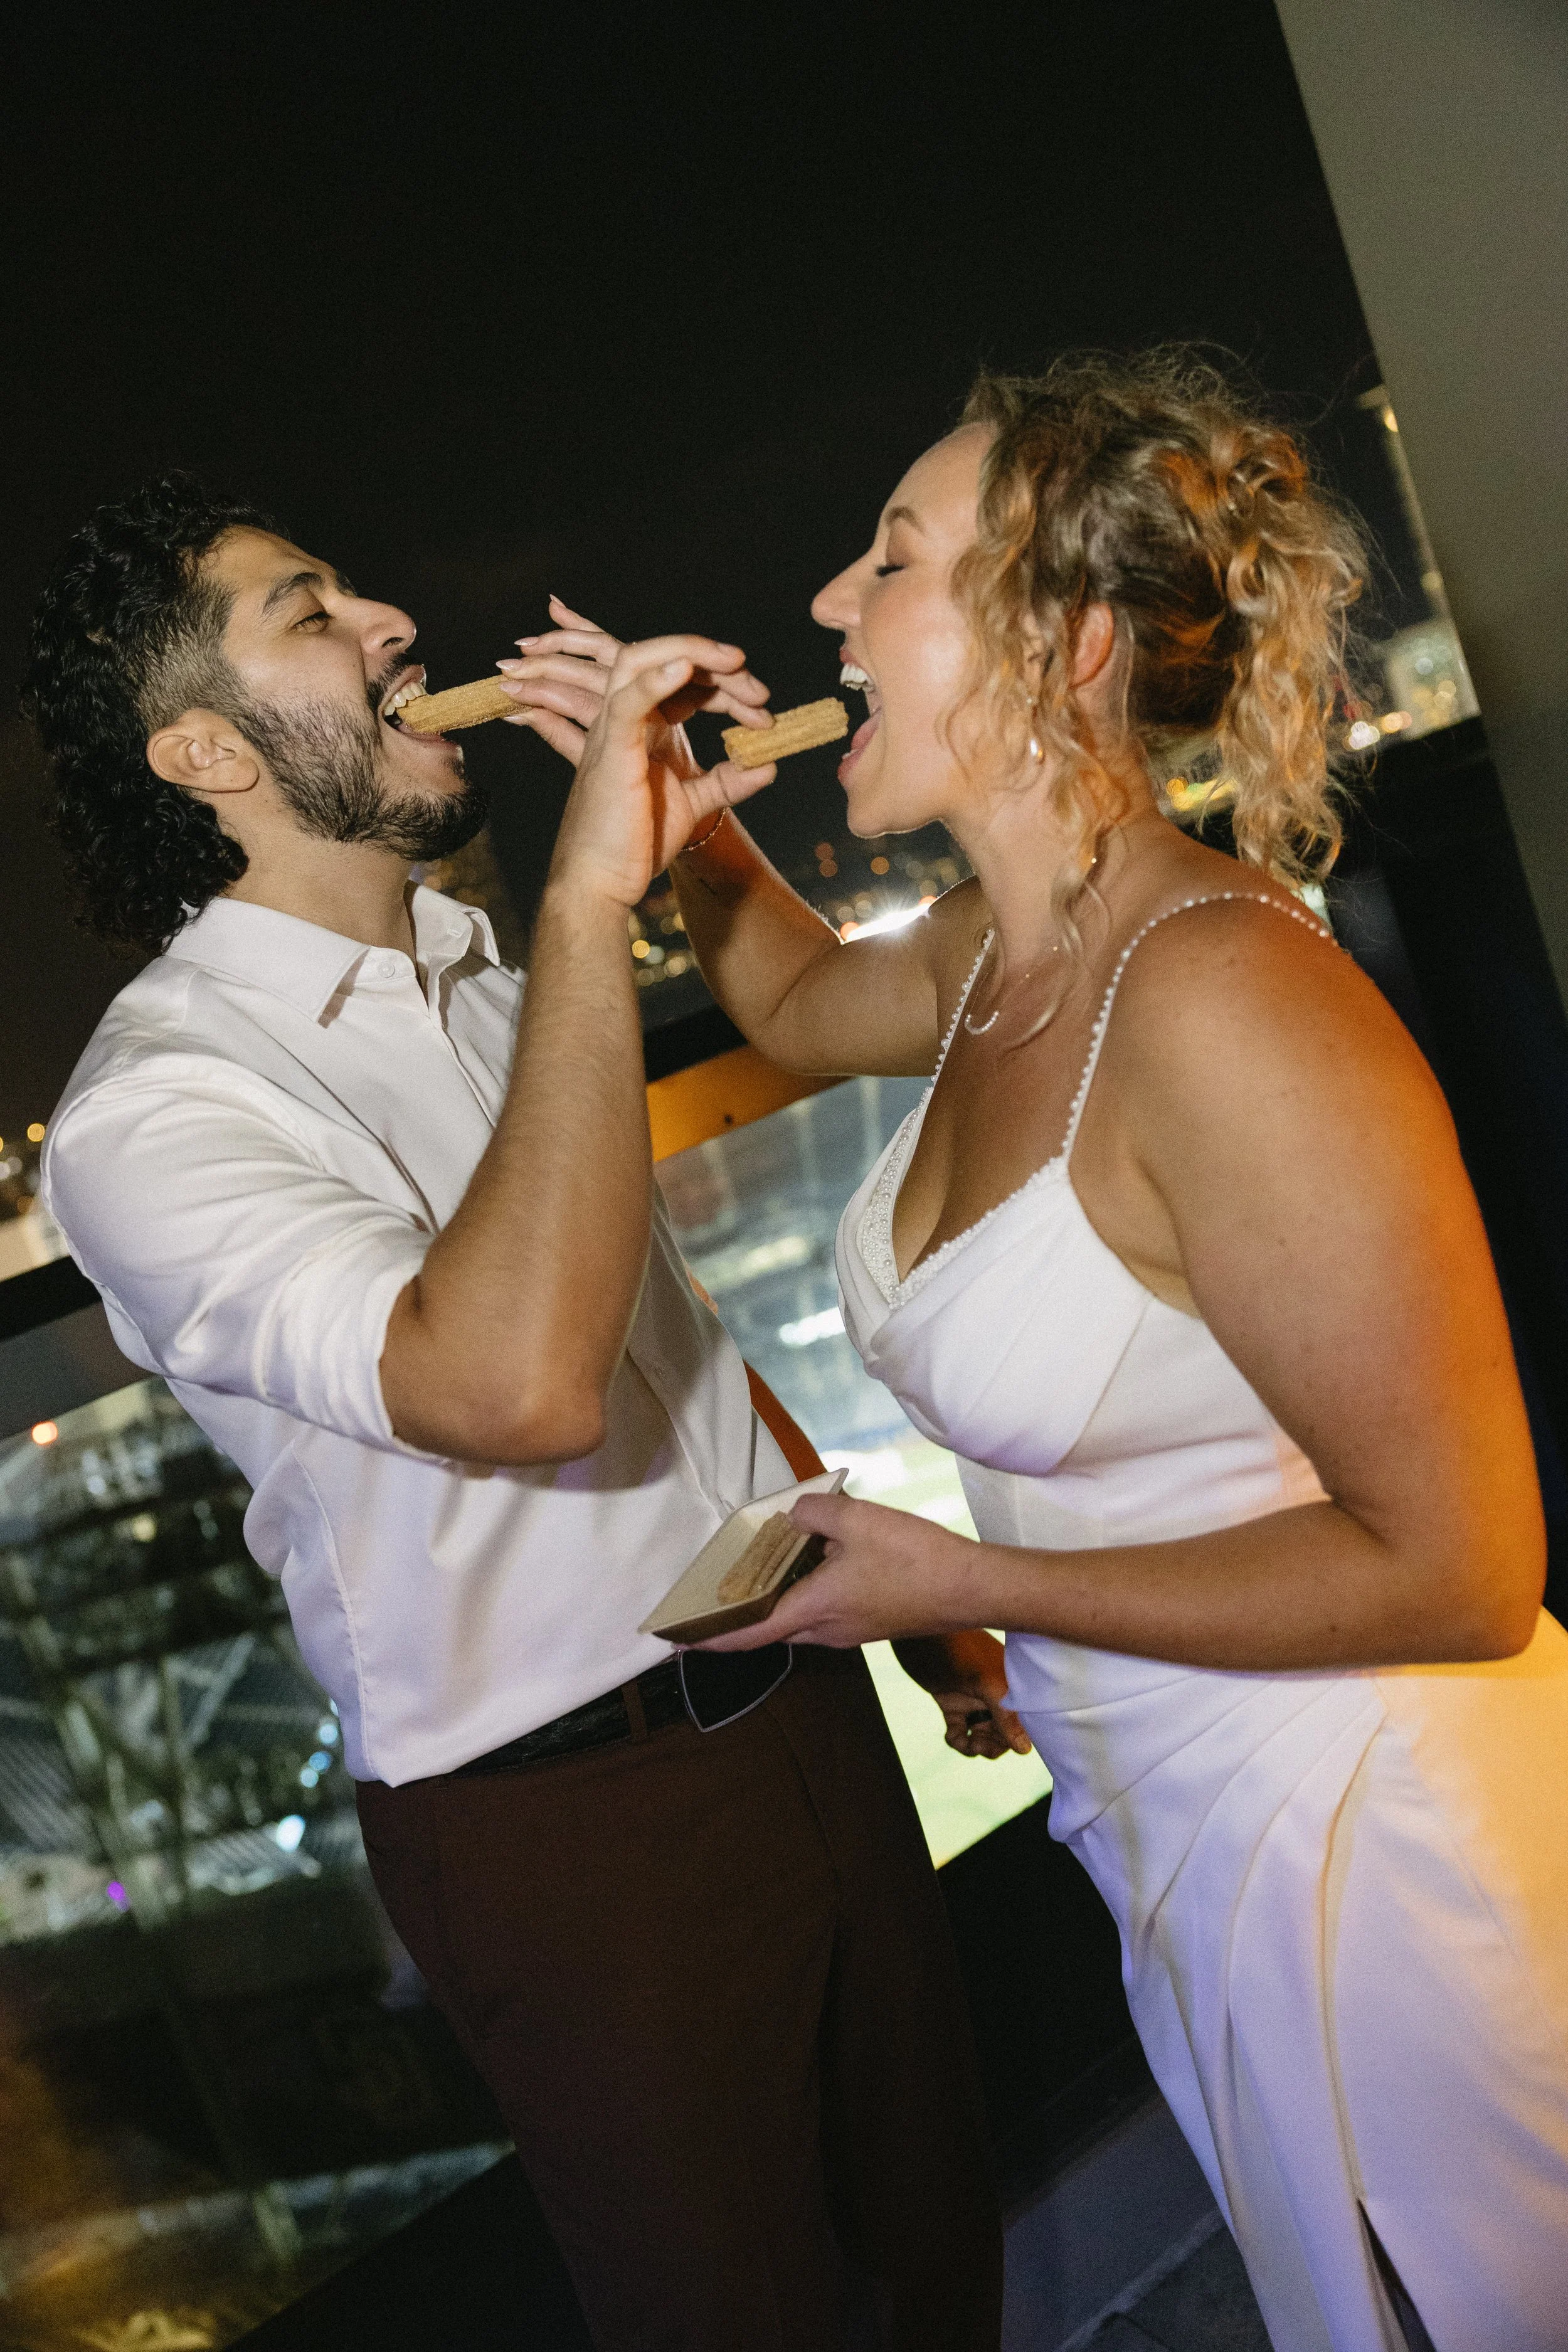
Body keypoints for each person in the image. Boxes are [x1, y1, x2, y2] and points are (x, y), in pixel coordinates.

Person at [515, 354, 1568, 2350]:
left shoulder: (1224, 1002)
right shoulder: (996, 965)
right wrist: (679, 831)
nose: (825, 606)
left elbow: (1461, 1567)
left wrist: (968, 1580)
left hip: (1376, 1854)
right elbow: (804, 1002)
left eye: (889, 559)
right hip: (1163, 1816)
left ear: (1059, 642)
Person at [21, 477, 1004, 2351]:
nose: (390, 617)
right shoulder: (158, 1114)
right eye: (310, 610)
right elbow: (520, 1386)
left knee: (942, 2266)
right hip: (568, 1825)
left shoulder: (479, 974)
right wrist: (586, 894)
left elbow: (669, 1355)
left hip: (800, 1688)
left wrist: (905, 1596)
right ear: (204, 751)